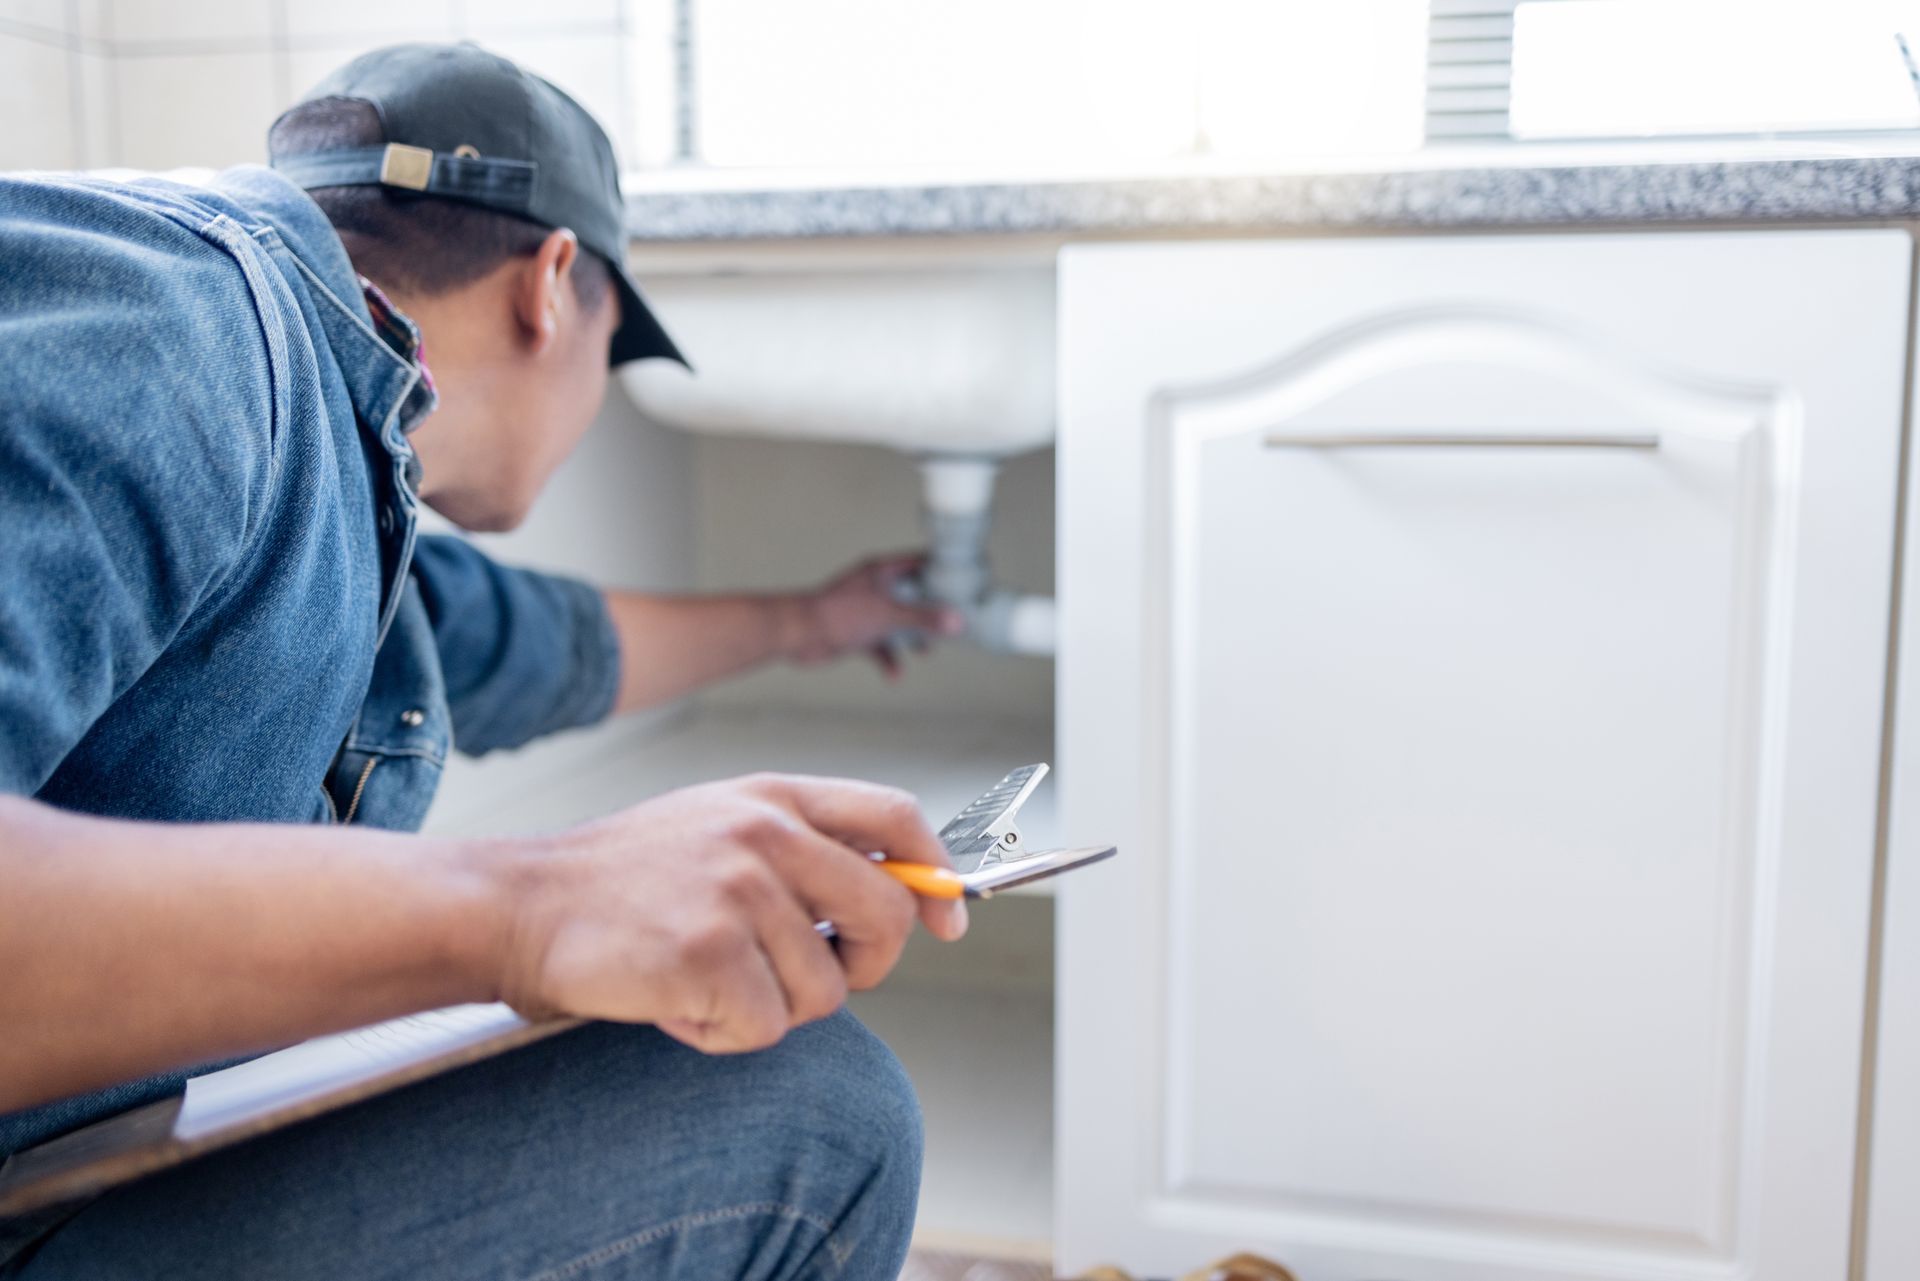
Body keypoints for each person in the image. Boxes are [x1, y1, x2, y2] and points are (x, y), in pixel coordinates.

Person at [0, 42, 970, 1280]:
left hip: (57, 1171)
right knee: (818, 1115)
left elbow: (552, 648)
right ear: (555, 285)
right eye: (614, 354)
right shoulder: (181, 326)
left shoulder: (339, 486)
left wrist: (809, 623)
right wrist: (533, 909)